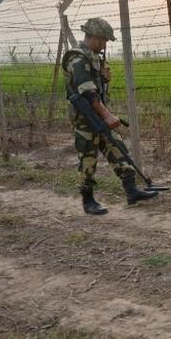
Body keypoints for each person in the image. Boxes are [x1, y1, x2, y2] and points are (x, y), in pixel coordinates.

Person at [62, 17, 158, 215]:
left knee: (118, 149)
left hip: (98, 113)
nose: (105, 44)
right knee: (88, 157)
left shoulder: (94, 57)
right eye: (104, 40)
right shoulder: (77, 58)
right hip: (85, 117)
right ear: (94, 37)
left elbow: (96, 88)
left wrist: (104, 78)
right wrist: (107, 115)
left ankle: (132, 192)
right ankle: (88, 201)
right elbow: (87, 92)